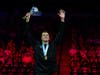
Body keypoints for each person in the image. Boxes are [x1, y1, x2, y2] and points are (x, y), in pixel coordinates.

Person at [23, 9, 66, 75]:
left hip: (50, 73)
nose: (45, 36)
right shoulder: (36, 45)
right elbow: (27, 34)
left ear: (49, 38)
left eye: (47, 35)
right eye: (43, 35)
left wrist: (62, 19)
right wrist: (27, 21)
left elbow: (60, 34)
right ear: (41, 38)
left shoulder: (53, 45)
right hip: (38, 73)